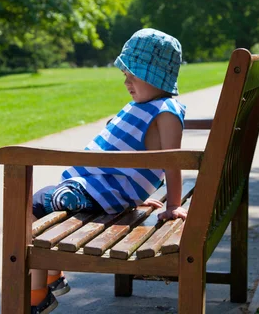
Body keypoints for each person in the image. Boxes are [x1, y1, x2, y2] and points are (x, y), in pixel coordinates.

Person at [29, 28, 188, 314]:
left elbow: (173, 160)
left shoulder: (165, 111)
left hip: (100, 193)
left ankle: (40, 292)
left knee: (34, 204)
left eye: (133, 74)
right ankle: (51, 279)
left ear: (153, 74)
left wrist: (173, 204)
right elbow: (135, 159)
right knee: (45, 204)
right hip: (102, 190)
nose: (127, 81)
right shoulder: (148, 105)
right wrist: (135, 198)